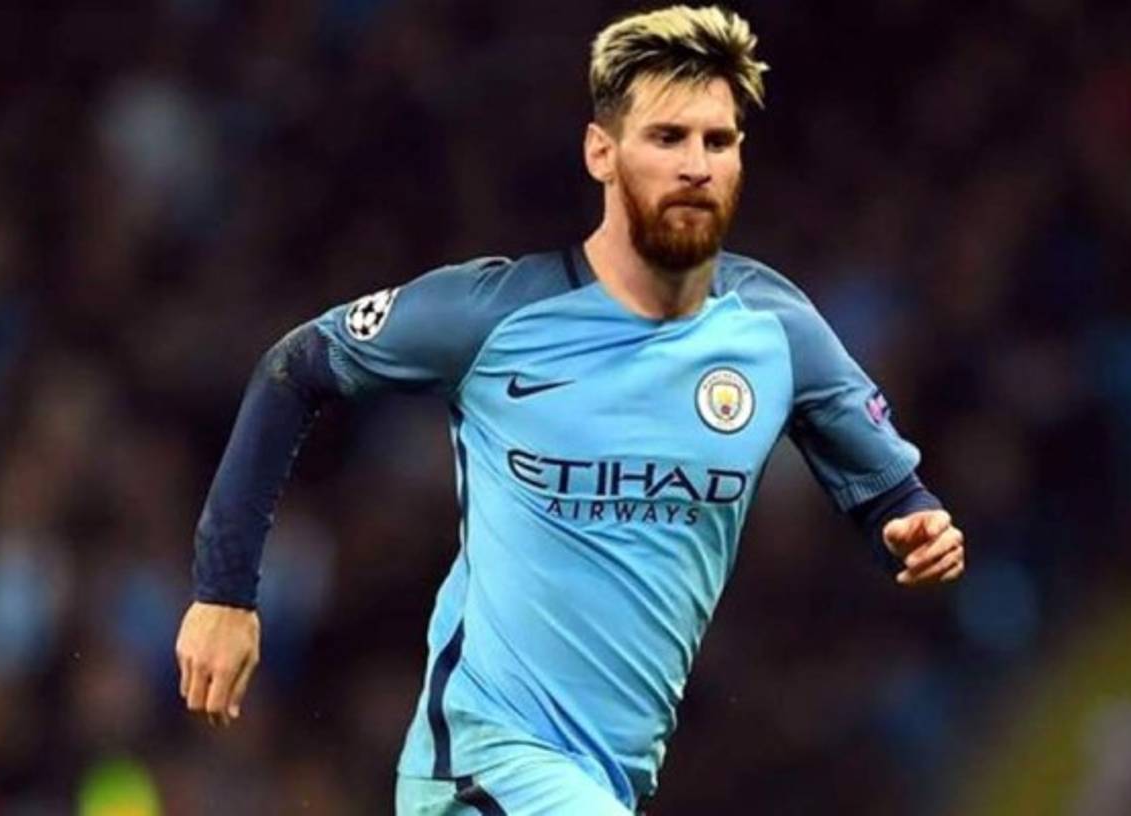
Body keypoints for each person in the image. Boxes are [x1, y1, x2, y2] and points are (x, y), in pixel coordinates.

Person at [174, 5, 966, 814]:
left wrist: (916, 529)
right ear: (602, 151)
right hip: (479, 766)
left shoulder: (776, 332)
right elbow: (294, 366)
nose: (696, 164)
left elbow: (894, 499)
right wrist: (224, 591)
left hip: (607, 783)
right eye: (666, 137)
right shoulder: (493, 316)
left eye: (717, 141)